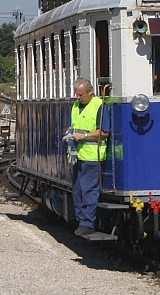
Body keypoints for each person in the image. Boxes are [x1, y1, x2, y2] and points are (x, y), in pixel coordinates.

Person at [66, 78, 108, 236]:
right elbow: (73, 126)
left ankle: (88, 223)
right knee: (77, 191)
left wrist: (83, 136)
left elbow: (104, 132)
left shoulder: (99, 106)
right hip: (77, 156)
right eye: (77, 94)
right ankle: (81, 221)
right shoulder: (76, 105)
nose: (78, 97)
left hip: (92, 156)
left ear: (90, 92)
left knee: (89, 191)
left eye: (81, 95)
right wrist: (69, 133)